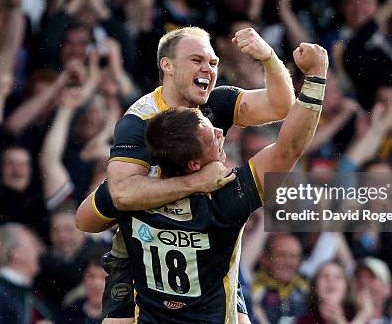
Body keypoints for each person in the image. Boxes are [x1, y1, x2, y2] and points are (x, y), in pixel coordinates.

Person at [77, 42, 328, 323]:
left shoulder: (132, 193)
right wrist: (316, 76)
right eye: (211, 136)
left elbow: (85, 221)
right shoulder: (227, 198)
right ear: (194, 165)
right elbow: (289, 148)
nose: (220, 132)